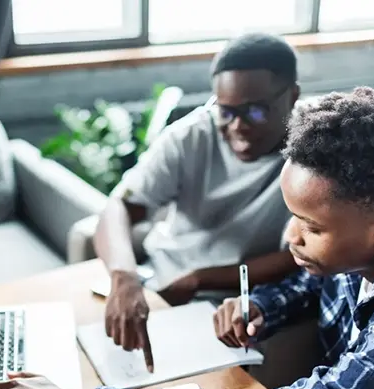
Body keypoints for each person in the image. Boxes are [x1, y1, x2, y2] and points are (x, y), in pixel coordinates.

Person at [0, 87, 374, 389]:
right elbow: (325, 284)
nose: (292, 238)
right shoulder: (372, 241)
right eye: (293, 217)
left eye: (312, 227)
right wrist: (265, 306)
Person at [95, 32, 301, 371]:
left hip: (239, 305)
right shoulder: (190, 135)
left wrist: (201, 278)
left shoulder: (316, 149)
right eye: (226, 111)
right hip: (159, 289)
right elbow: (119, 207)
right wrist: (124, 278)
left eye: (256, 112)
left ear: (292, 96)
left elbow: (302, 254)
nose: (238, 126)